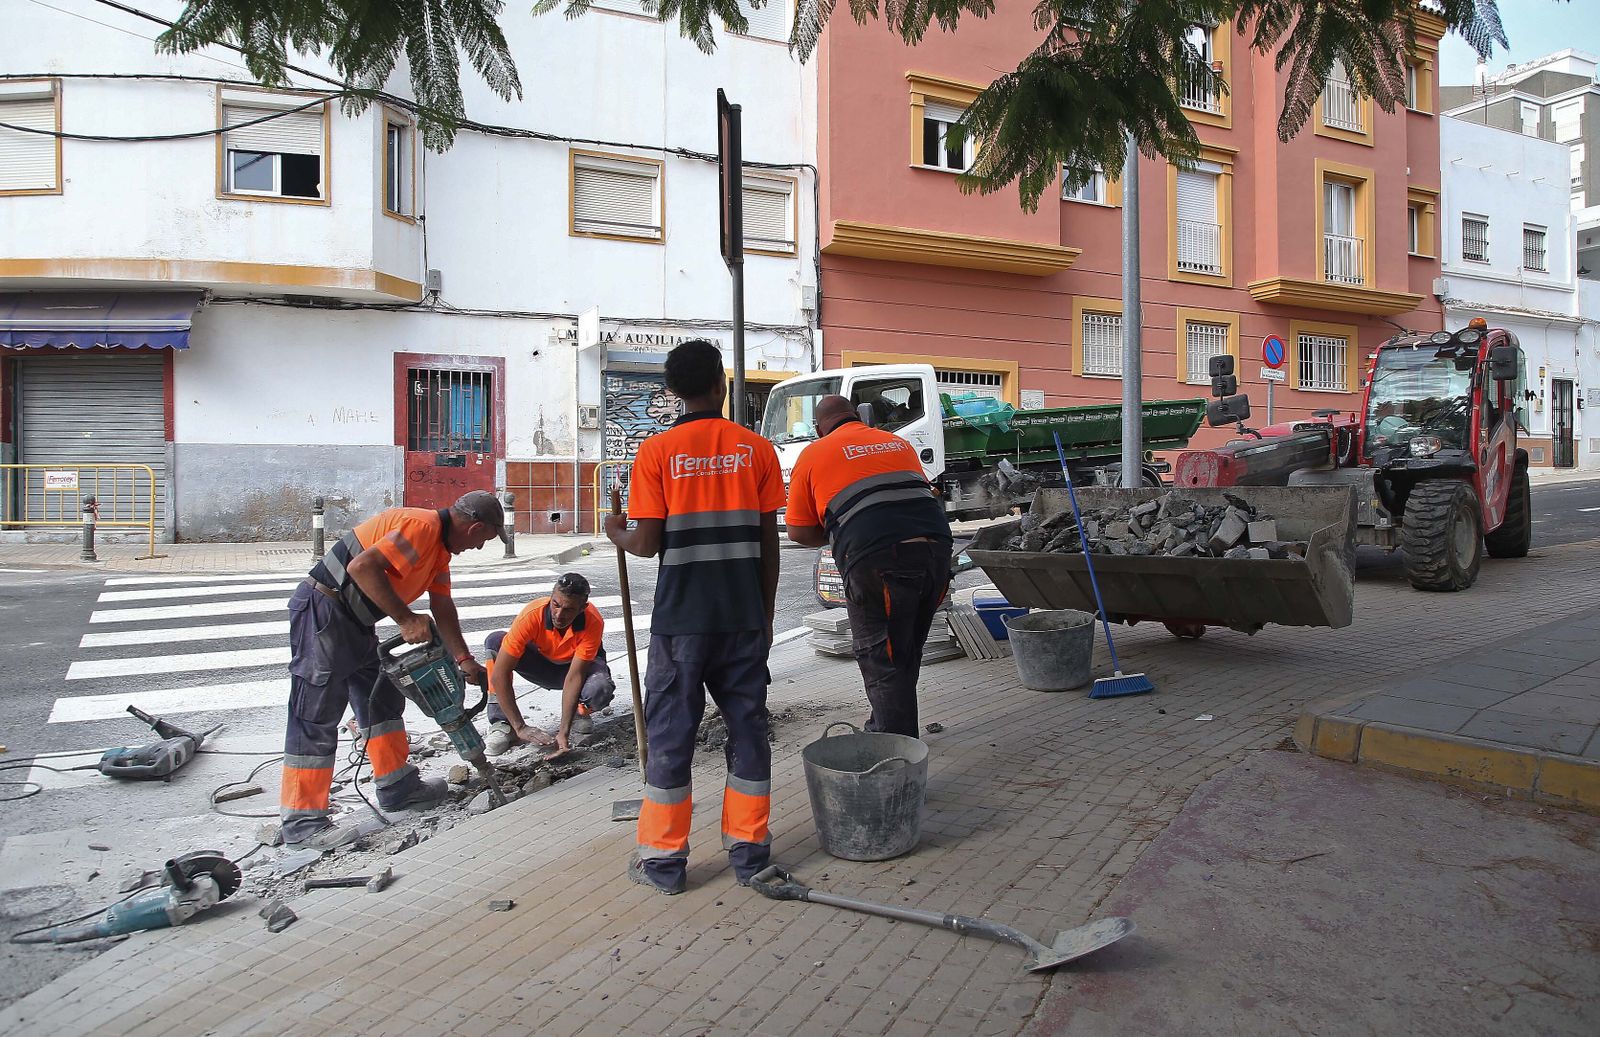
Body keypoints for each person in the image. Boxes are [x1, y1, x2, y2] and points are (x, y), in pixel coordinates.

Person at [605, 340, 783, 895]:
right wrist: (766, 612)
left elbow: (646, 543)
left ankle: (664, 864)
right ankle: (750, 854)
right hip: (742, 617)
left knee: (670, 736)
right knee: (748, 729)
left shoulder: (656, 453)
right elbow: (767, 542)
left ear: (672, 392)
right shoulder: (756, 449)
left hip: (681, 622)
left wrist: (616, 530)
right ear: (720, 384)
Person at [279, 490, 506, 848]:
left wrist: (463, 659)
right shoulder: (422, 526)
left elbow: (443, 607)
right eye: (485, 539)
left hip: (356, 622)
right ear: (475, 527)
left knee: (381, 701)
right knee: (316, 712)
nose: (479, 548)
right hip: (325, 609)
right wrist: (404, 619)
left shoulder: (439, 552)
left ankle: (397, 785)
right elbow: (361, 567)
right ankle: (302, 819)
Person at [785, 395, 953, 737]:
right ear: (860, 417)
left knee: (881, 658)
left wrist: (839, 529)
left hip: (877, 560)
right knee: (904, 650)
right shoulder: (897, 443)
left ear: (820, 428)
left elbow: (799, 530)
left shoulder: (814, 454)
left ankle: (894, 758)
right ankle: (891, 732)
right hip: (936, 552)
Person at [482, 572, 616, 756]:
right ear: (551, 598)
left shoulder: (592, 621)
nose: (559, 615)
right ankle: (503, 723)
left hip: (573, 669)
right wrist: (520, 727)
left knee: (599, 687)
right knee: (495, 642)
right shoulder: (532, 615)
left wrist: (563, 732)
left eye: (569, 609)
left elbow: (574, 676)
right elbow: (500, 674)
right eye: (556, 605)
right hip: (541, 664)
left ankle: (580, 711)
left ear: (582, 608)